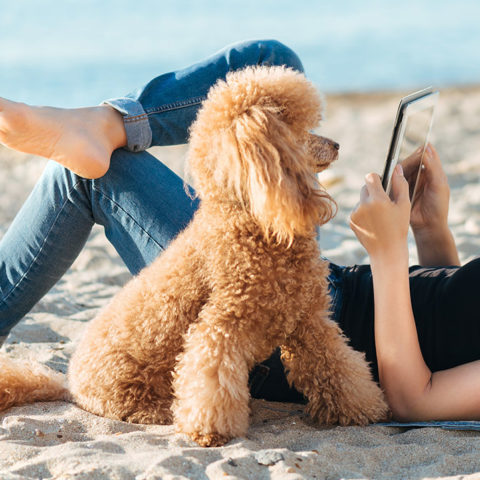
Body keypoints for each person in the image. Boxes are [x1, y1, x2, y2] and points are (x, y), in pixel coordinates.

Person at [0, 39, 479, 422]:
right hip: (317, 276)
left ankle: (103, 132)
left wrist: (389, 254)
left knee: (85, 176)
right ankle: (112, 122)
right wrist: (430, 227)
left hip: (281, 317)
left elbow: (415, 398)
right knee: (273, 61)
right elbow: (453, 324)